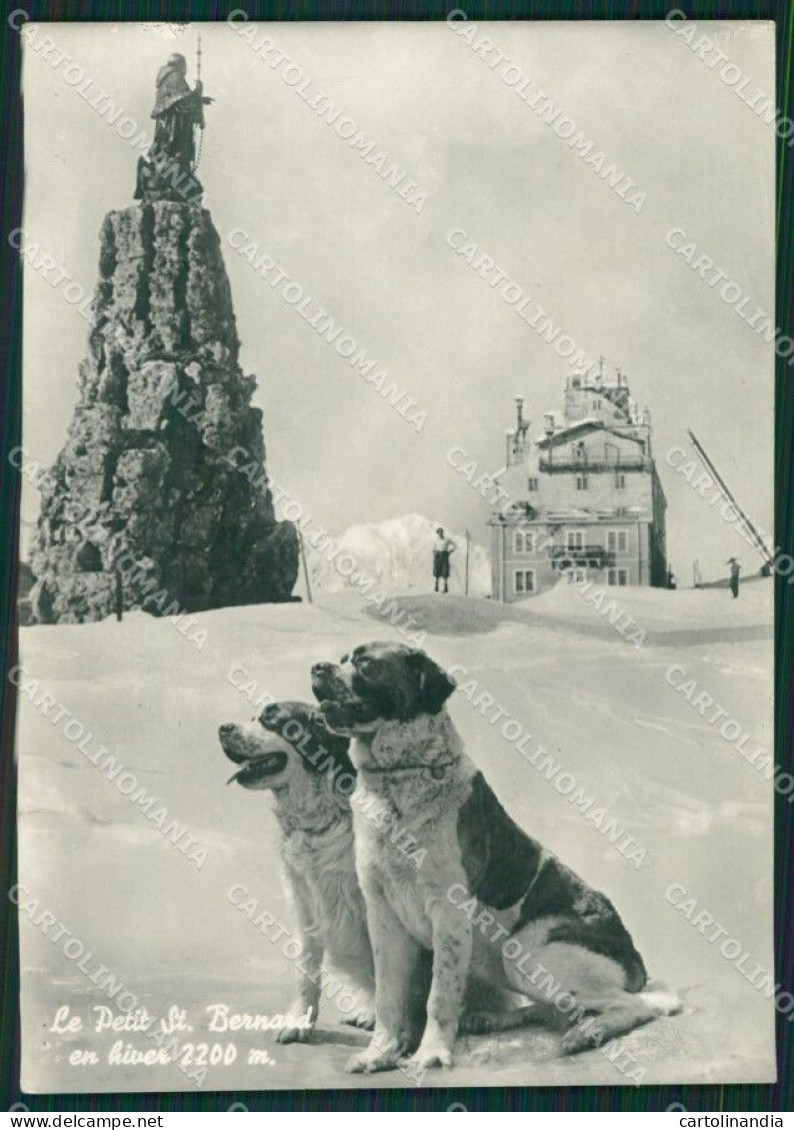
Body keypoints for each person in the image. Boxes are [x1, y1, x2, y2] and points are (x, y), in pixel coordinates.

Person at [135, 53, 213, 203]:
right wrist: (197, 93)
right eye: (185, 66)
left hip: (170, 122)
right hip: (174, 124)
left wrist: (199, 99)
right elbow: (182, 99)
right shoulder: (175, 76)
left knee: (166, 147)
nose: (186, 69)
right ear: (180, 64)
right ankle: (169, 166)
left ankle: (160, 164)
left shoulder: (165, 78)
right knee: (173, 148)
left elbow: (180, 98)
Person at [433, 527, 456, 594]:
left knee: (445, 570)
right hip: (437, 555)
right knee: (437, 570)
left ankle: (445, 587)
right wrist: (434, 552)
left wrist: (450, 551)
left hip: (444, 555)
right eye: (439, 532)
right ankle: (436, 586)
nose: (440, 533)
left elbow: (455, 545)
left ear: (443, 532)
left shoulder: (447, 539)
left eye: (441, 532)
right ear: (437, 533)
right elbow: (434, 548)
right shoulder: (436, 540)